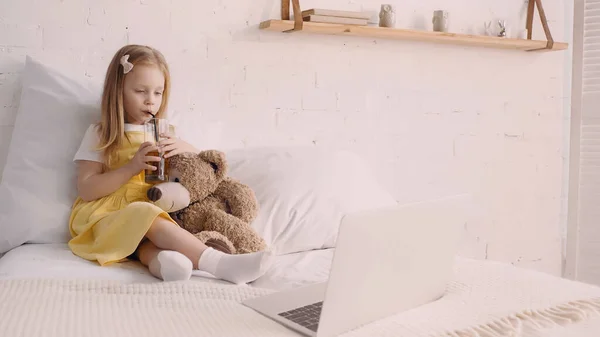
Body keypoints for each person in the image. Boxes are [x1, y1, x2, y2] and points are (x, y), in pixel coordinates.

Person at [68, 44, 272, 284]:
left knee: (149, 247)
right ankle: (219, 264)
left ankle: (170, 267)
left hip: (153, 213)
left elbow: (201, 175)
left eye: (158, 93)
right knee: (146, 214)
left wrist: (189, 149)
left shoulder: (166, 133)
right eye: (140, 91)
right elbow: (87, 188)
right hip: (104, 217)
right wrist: (131, 167)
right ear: (118, 91)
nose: (150, 101)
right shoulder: (102, 133)